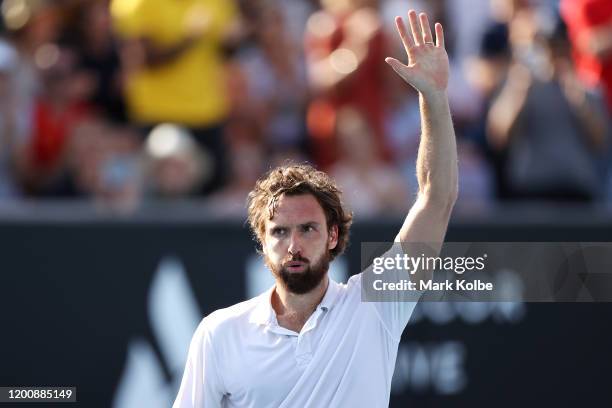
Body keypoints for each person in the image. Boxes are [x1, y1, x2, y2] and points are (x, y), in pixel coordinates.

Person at [173, 9, 458, 407]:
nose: (294, 244)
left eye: (307, 228)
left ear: (333, 236)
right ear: (262, 240)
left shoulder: (373, 308)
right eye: (280, 231)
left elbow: (436, 196)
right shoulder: (219, 333)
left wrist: (434, 97)